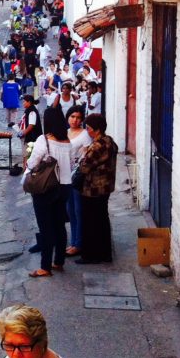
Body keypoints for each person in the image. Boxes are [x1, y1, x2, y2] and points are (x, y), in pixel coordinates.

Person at [26, 107, 73, 278]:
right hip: (65, 187)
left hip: (46, 187)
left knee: (46, 227)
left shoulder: (43, 140)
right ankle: (59, 261)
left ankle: (45, 267)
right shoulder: (68, 142)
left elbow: (32, 163)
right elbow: (72, 163)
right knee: (59, 225)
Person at [74, 114, 118, 265]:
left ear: (97, 130)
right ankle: (105, 254)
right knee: (102, 220)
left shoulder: (97, 146)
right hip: (105, 187)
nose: (87, 131)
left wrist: (82, 158)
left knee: (90, 222)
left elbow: (85, 167)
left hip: (93, 189)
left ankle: (91, 255)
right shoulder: (109, 141)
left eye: (89, 128)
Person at [64, 108, 91, 258]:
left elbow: (86, 157)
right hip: (65, 177)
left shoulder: (85, 135)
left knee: (79, 211)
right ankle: (73, 241)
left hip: (78, 177)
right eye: (72, 116)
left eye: (78, 117)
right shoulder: (65, 132)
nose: (75, 120)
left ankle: (79, 243)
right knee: (70, 211)